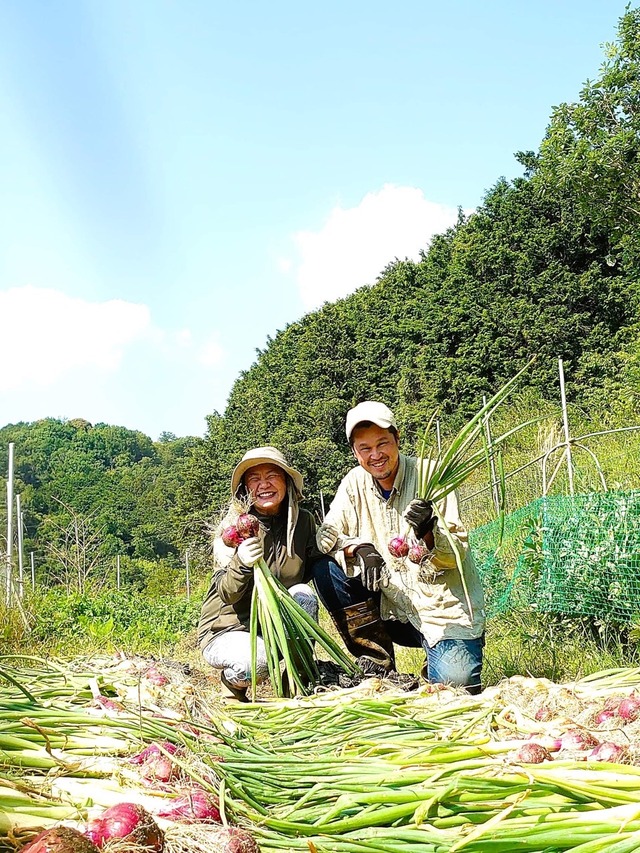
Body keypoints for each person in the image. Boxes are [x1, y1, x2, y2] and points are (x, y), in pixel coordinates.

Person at [315, 401, 486, 694]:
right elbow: (325, 537)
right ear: (355, 452)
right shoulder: (354, 482)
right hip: (391, 606)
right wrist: (358, 548)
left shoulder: (430, 476)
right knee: (326, 569)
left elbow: (455, 555)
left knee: (457, 687)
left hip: (440, 612)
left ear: (397, 439)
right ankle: (378, 666)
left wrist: (428, 532)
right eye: (364, 448)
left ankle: (438, 662)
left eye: (382, 443)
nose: (375, 455)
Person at [198, 446, 327, 701]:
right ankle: (232, 688)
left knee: (303, 594)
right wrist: (241, 563)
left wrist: (337, 546)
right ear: (245, 489)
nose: (264, 484)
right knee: (254, 663)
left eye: (272, 476)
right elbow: (227, 593)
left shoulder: (304, 522)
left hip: (276, 624)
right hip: (229, 628)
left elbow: (317, 564)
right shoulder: (232, 529)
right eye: (254, 479)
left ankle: (296, 682)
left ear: (287, 481)